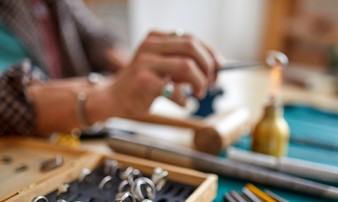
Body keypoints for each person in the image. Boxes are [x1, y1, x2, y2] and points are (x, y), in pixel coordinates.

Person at [0, 0, 221, 136]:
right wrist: (107, 96)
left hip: (73, 136)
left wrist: (144, 72)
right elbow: (6, 96)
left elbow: (94, 36)